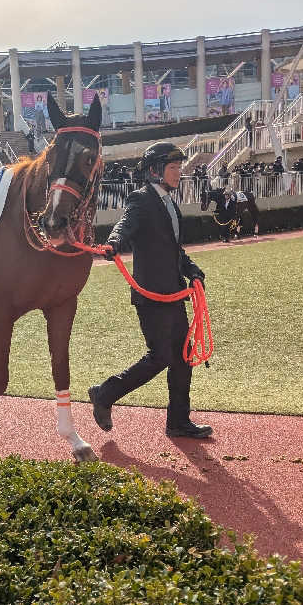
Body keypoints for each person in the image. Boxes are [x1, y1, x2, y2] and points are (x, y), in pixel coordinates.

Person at [88, 142, 212, 439]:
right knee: (160, 357)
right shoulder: (141, 199)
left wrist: (191, 270)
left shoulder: (169, 202)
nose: (178, 173)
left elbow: (174, 249)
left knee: (183, 356)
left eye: (179, 168)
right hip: (151, 297)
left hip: (175, 293)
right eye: (173, 169)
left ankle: (178, 422)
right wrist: (114, 243)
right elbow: (125, 225)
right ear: (155, 171)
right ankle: (105, 394)